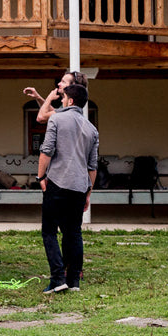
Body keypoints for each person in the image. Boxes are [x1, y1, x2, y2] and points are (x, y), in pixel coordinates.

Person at [34, 73, 98, 294]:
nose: (61, 101)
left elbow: (46, 150)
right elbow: (92, 166)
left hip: (58, 183)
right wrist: (88, 193)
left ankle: (57, 278)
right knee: (74, 232)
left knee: (49, 232)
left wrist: (41, 177)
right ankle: (74, 282)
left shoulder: (57, 119)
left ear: (70, 100)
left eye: (63, 99)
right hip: (80, 187)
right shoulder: (92, 129)